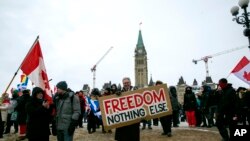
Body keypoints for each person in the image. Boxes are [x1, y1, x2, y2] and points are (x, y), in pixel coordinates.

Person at [115, 77, 140, 141]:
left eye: (127, 83)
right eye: (124, 83)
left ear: (130, 83)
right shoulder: (119, 92)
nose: (126, 84)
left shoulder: (135, 90)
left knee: (133, 137)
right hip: (123, 120)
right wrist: (116, 94)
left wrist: (138, 92)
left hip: (134, 119)